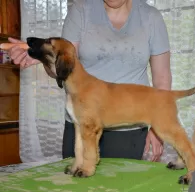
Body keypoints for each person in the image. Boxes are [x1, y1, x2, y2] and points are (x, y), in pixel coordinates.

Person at [7, 0, 172, 162]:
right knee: (76, 186)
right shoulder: (80, 11)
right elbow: (63, 67)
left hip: (129, 126)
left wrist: (158, 127)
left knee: (123, 187)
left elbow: (162, 79)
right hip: (81, 122)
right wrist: (43, 56)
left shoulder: (151, 17)